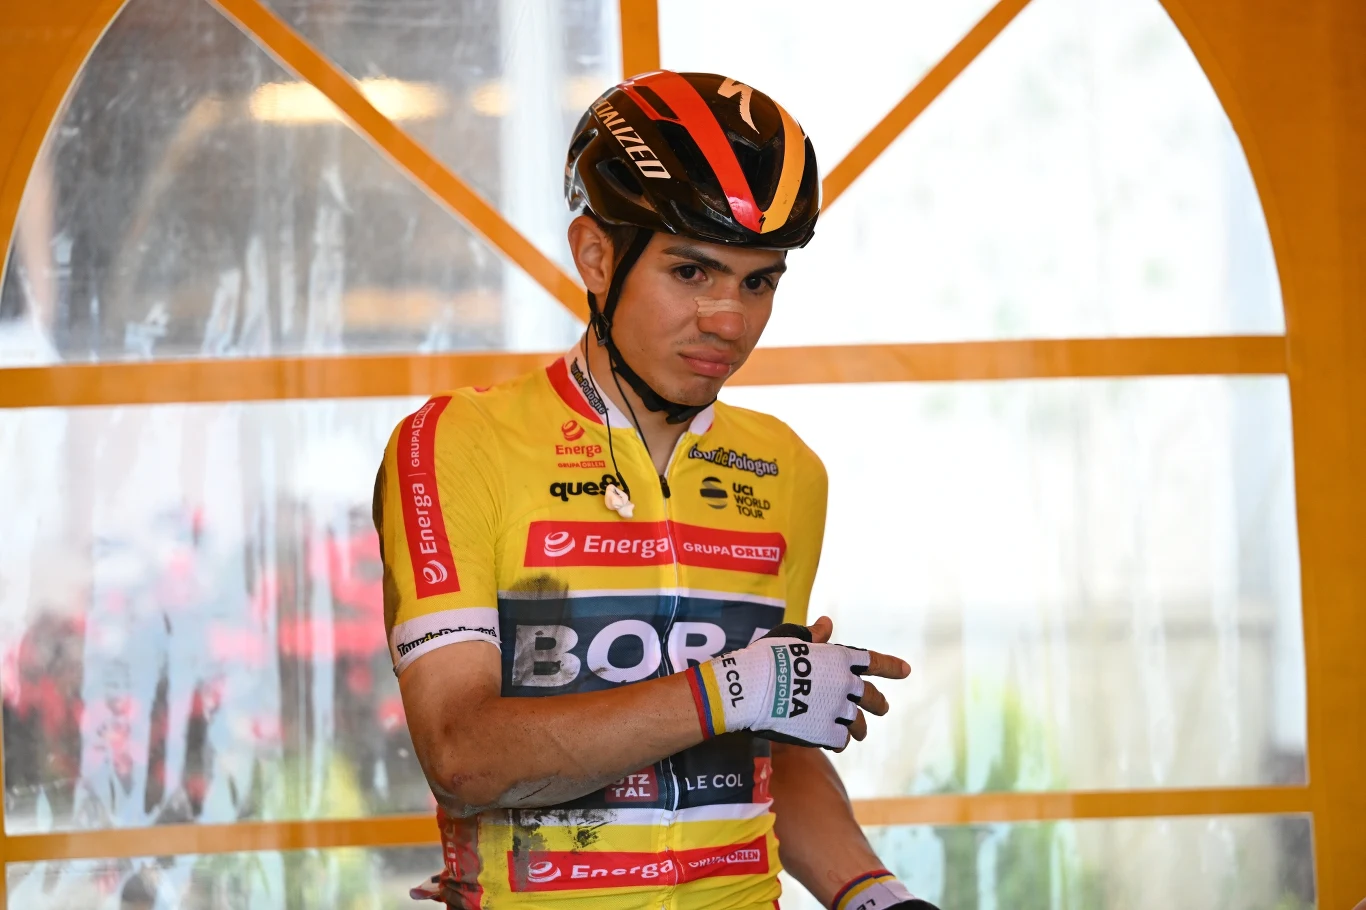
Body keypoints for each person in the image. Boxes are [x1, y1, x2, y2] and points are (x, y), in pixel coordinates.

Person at [375, 70, 938, 910]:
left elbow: (767, 752)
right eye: (692, 272)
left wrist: (873, 894)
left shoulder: (786, 470)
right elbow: (462, 756)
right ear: (596, 256)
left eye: (759, 281)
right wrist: (734, 687)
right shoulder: (457, 444)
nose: (729, 320)